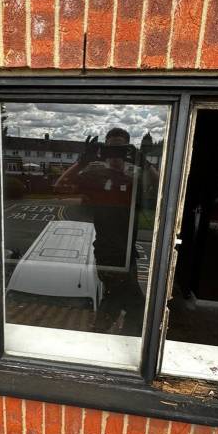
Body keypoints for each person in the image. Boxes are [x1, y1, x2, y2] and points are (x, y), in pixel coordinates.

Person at [55, 128, 146, 336]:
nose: (115, 155)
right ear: (105, 150)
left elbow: (164, 192)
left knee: (115, 299)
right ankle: (115, 338)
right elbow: (59, 187)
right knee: (136, 306)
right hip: (108, 255)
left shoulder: (133, 179)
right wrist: (82, 162)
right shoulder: (95, 176)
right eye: (111, 149)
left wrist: (146, 165)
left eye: (120, 149)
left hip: (128, 254)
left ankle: (99, 335)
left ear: (128, 150)